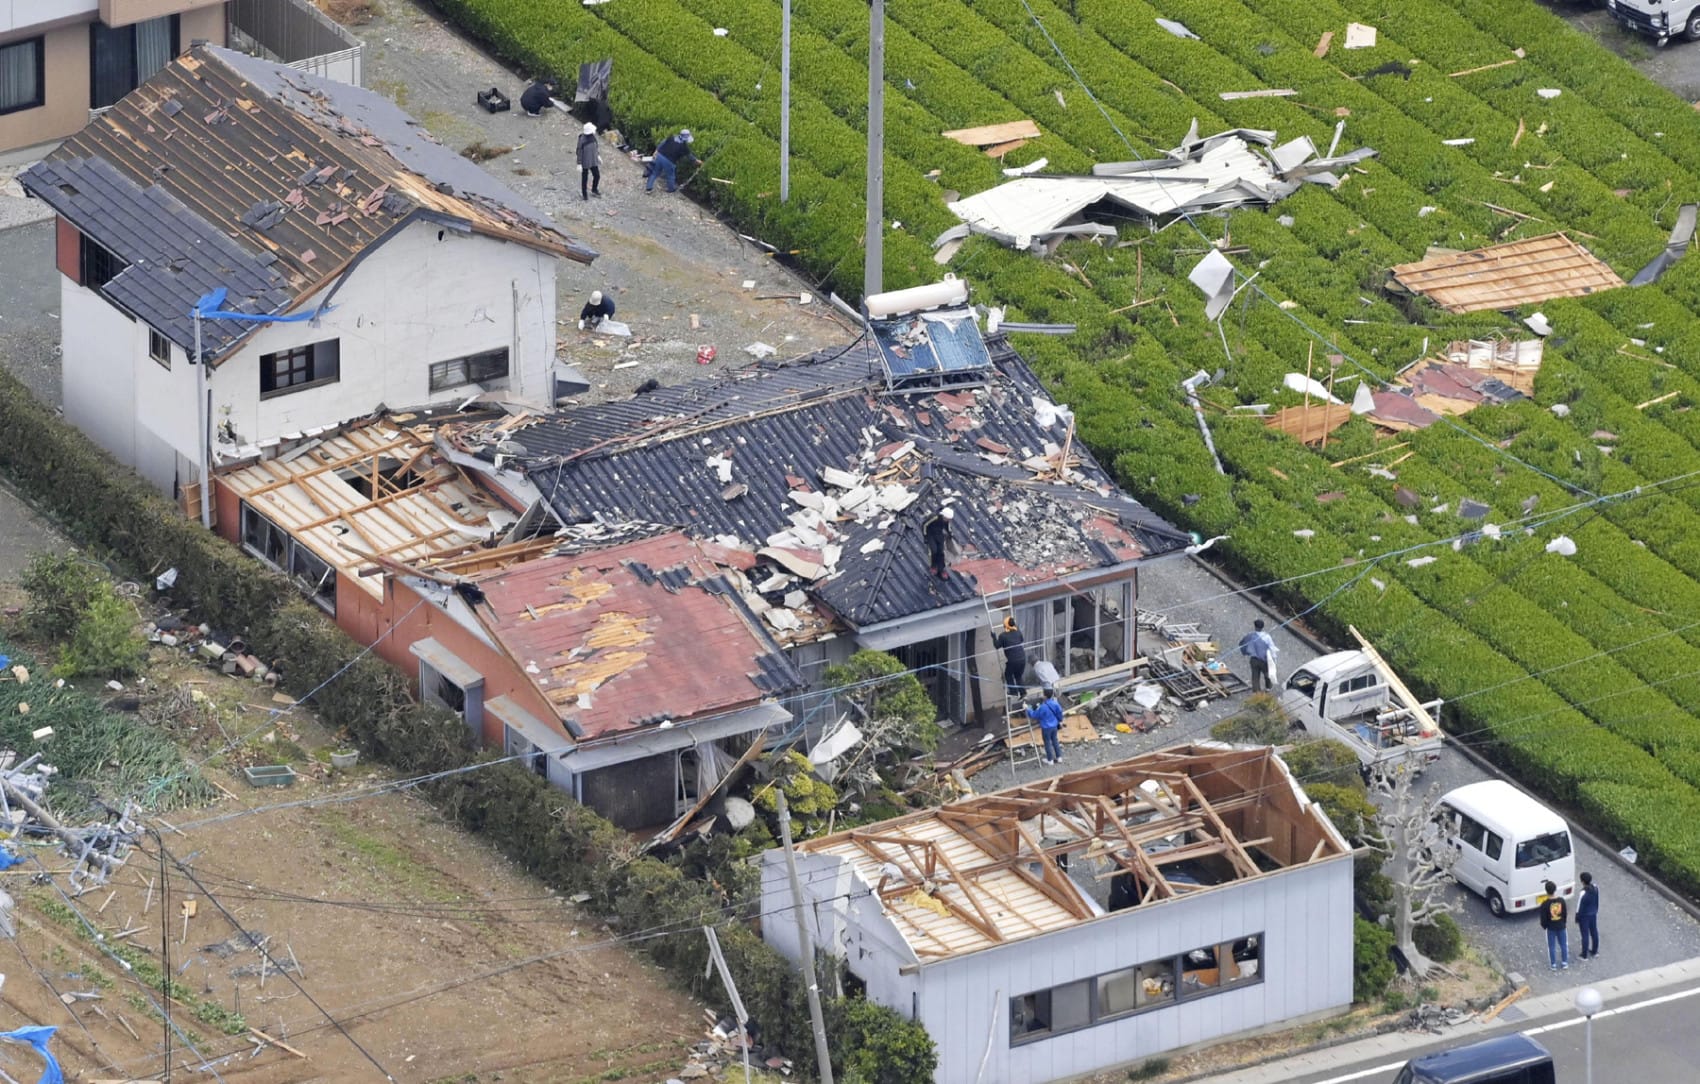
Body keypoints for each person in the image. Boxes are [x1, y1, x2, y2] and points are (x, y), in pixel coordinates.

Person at [645, 129, 701, 193]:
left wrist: (656, 151)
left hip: (659, 156)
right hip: (669, 161)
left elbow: (662, 143)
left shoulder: (672, 137)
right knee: (670, 175)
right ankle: (671, 189)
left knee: (655, 172)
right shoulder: (684, 147)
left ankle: (648, 188)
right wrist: (697, 161)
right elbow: (690, 157)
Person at [1027, 686, 1064, 765]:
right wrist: (1060, 720)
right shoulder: (1055, 703)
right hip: (1054, 726)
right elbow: (1060, 713)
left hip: (1046, 727)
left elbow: (1034, 715)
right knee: (1055, 741)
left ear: (1045, 696)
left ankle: (1050, 760)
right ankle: (1059, 757)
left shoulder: (1043, 707)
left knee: (1047, 743)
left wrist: (1028, 709)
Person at [1238, 619, 1276, 693]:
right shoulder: (1267, 637)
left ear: (1255, 627)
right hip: (1264, 660)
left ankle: (1256, 692)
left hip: (1254, 659)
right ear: (1262, 627)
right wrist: (1273, 659)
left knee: (1255, 676)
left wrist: (1245, 652)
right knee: (1267, 674)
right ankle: (1268, 687)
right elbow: (1272, 648)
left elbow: (1242, 643)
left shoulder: (1250, 636)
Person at [1540, 880, 1569, 971]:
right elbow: (1564, 913)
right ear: (1555, 889)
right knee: (1563, 944)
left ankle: (1553, 964)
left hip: (1551, 928)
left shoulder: (1545, 904)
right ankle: (1564, 962)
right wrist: (1563, 922)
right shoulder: (1561, 901)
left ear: (1546, 891)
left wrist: (1545, 926)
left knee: (1551, 946)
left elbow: (1543, 918)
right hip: (1561, 926)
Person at [995, 616, 1027, 697]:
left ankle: (1013, 692)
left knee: (1008, 675)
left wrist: (993, 637)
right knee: (1018, 676)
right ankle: (1023, 693)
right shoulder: (1018, 632)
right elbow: (1021, 640)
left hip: (1013, 660)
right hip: (1022, 658)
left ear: (1006, 625)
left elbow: (997, 646)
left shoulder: (1003, 636)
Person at [921, 507, 954, 580]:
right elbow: (925, 525)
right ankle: (933, 566)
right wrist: (925, 536)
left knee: (940, 552)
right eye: (947, 519)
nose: (948, 520)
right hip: (930, 535)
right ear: (944, 516)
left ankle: (941, 569)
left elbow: (948, 527)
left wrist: (950, 533)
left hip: (939, 535)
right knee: (934, 551)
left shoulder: (946, 521)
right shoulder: (935, 517)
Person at [1577, 871, 1599, 960]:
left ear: (1582, 881)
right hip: (1593, 913)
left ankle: (1584, 955)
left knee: (1585, 934)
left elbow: (1579, 906)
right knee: (1594, 932)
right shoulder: (1596, 887)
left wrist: (1577, 917)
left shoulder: (1583, 892)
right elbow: (1597, 899)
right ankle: (1595, 951)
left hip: (1584, 916)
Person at [577, 122, 602, 200]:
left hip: (593, 160)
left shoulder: (593, 137)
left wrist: (598, 155)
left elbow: (596, 147)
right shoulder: (582, 140)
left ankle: (594, 189)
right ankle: (584, 195)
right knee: (584, 179)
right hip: (585, 162)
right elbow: (579, 152)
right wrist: (579, 163)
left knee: (597, 175)